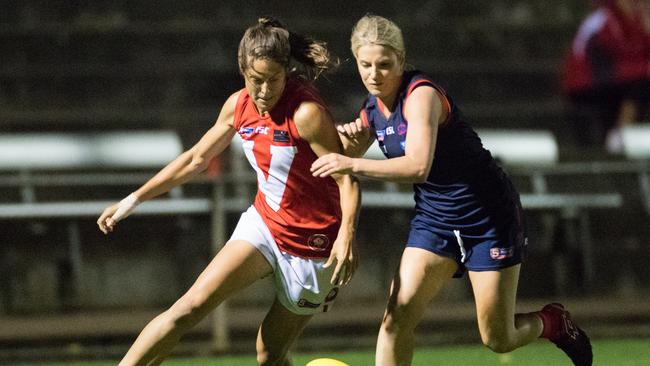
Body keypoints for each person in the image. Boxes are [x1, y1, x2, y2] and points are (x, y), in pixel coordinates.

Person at [311, 15, 592, 366]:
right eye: (365, 65)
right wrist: (345, 143)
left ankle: (552, 322)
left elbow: (416, 166)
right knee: (396, 319)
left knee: (498, 338)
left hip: (488, 217)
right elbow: (346, 152)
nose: (374, 74)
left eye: (384, 64)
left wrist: (351, 163)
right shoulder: (372, 109)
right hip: (435, 220)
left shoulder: (421, 96)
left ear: (401, 59)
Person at [97, 17, 360, 366]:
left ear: (287, 72)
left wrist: (347, 235)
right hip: (265, 226)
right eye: (256, 81)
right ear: (242, 72)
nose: (264, 91)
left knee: (269, 355)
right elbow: (195, 159)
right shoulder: (238, 106)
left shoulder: (306, 114)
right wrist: (134, 199)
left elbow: (347, 178)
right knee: (187, 309)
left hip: (313, 245)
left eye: (273, 81)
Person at [562, 0, 650, 154]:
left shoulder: (636, 18)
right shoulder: (603, 19)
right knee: (641, 83)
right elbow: (621, 54)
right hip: (587, 78)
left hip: (614, 76)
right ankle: (620, 135)